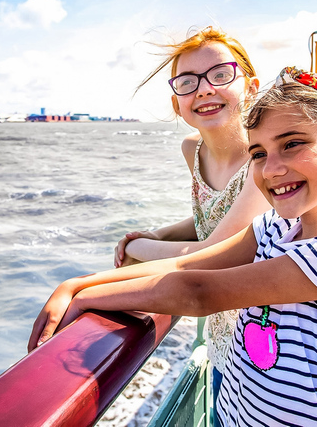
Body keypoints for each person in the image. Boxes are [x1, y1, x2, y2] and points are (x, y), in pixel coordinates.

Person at [29, 67, 317, 426]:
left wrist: (84, 298)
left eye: (292, 144)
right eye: (258, 153)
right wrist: (79, 283)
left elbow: (197, 292)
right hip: (234, 414)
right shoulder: (279, 225)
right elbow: (190, 267)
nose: (272, 169)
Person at [113, 26, 271, 396]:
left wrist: (135, 249)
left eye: (220, 75)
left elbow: (212, 253)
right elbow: (210, 216)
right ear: (176, 103)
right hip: (222, 337)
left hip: (269, 340)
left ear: (250, 87)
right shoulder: (192, 149)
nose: (204, 89)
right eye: (187, 82)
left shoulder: (264, 160)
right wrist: (158, 235)